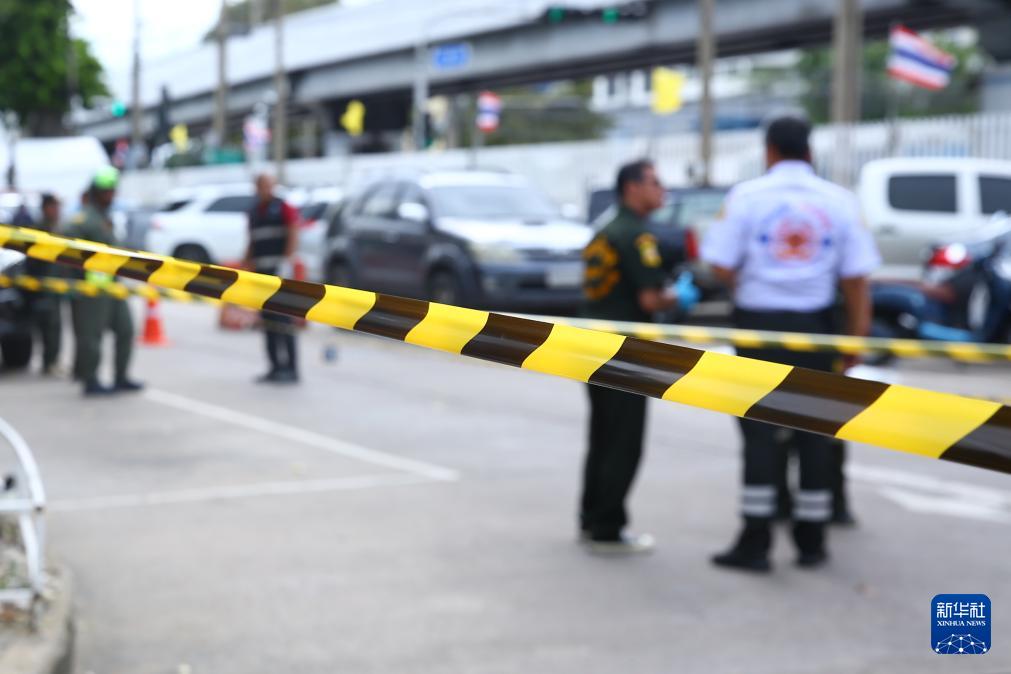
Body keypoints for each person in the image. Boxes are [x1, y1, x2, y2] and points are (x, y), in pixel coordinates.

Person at [701, 116, 879, 572]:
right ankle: (812, 541)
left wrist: (752, 279)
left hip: (758, 328)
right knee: (815, 431)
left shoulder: (746, 197)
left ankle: (756, 540)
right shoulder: (839, 201)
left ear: (769, 151)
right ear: (809, 151)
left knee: (758, 432)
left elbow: (718, 263)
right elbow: (857, 279)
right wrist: (855, 339)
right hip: (817, 330)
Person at [579, 159, 700, 554]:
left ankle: (591, 518)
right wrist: (678, 297)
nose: (662, 190)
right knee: (623, 440)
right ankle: (607, 529)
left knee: (602, 436)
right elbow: (650, 298)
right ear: (632, 187)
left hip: (591, 345)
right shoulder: (637, 235)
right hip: (626, 350)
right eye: (654, 182)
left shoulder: (606, 228)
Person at [65, 167, 144, 396]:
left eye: (112, 191)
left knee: (126, 330)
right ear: (96, 192)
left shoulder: (104, 217)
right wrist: (78, 279)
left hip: (112, 287)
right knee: (91, 337)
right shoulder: (84, 219)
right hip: (92, 290)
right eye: (106, 191)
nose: (111, 195)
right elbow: (65, 246)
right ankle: (90, 380)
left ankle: (121, 377)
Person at [244, 174, 300, 384]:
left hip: (280, 273)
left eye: (268, 185)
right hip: (262, 274)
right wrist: (246, 265)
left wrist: (287, 260)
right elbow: (252, 241)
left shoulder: (283, 207)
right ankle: (274, 367)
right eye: (261, 186)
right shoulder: (254, 212)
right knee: (267, 321)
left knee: (284, 321)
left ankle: (291, 368)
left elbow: (294, 232)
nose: (264, 189)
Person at [23, 193, 65, 374]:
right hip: (42, 287)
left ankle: (51, 361)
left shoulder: (56, 228)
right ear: (45, 208)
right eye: (53, 207)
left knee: (55, 326)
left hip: (55, 286)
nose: (57, 211)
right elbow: (32, 262)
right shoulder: (39, 230)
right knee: (47, 327)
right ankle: (48, 362)